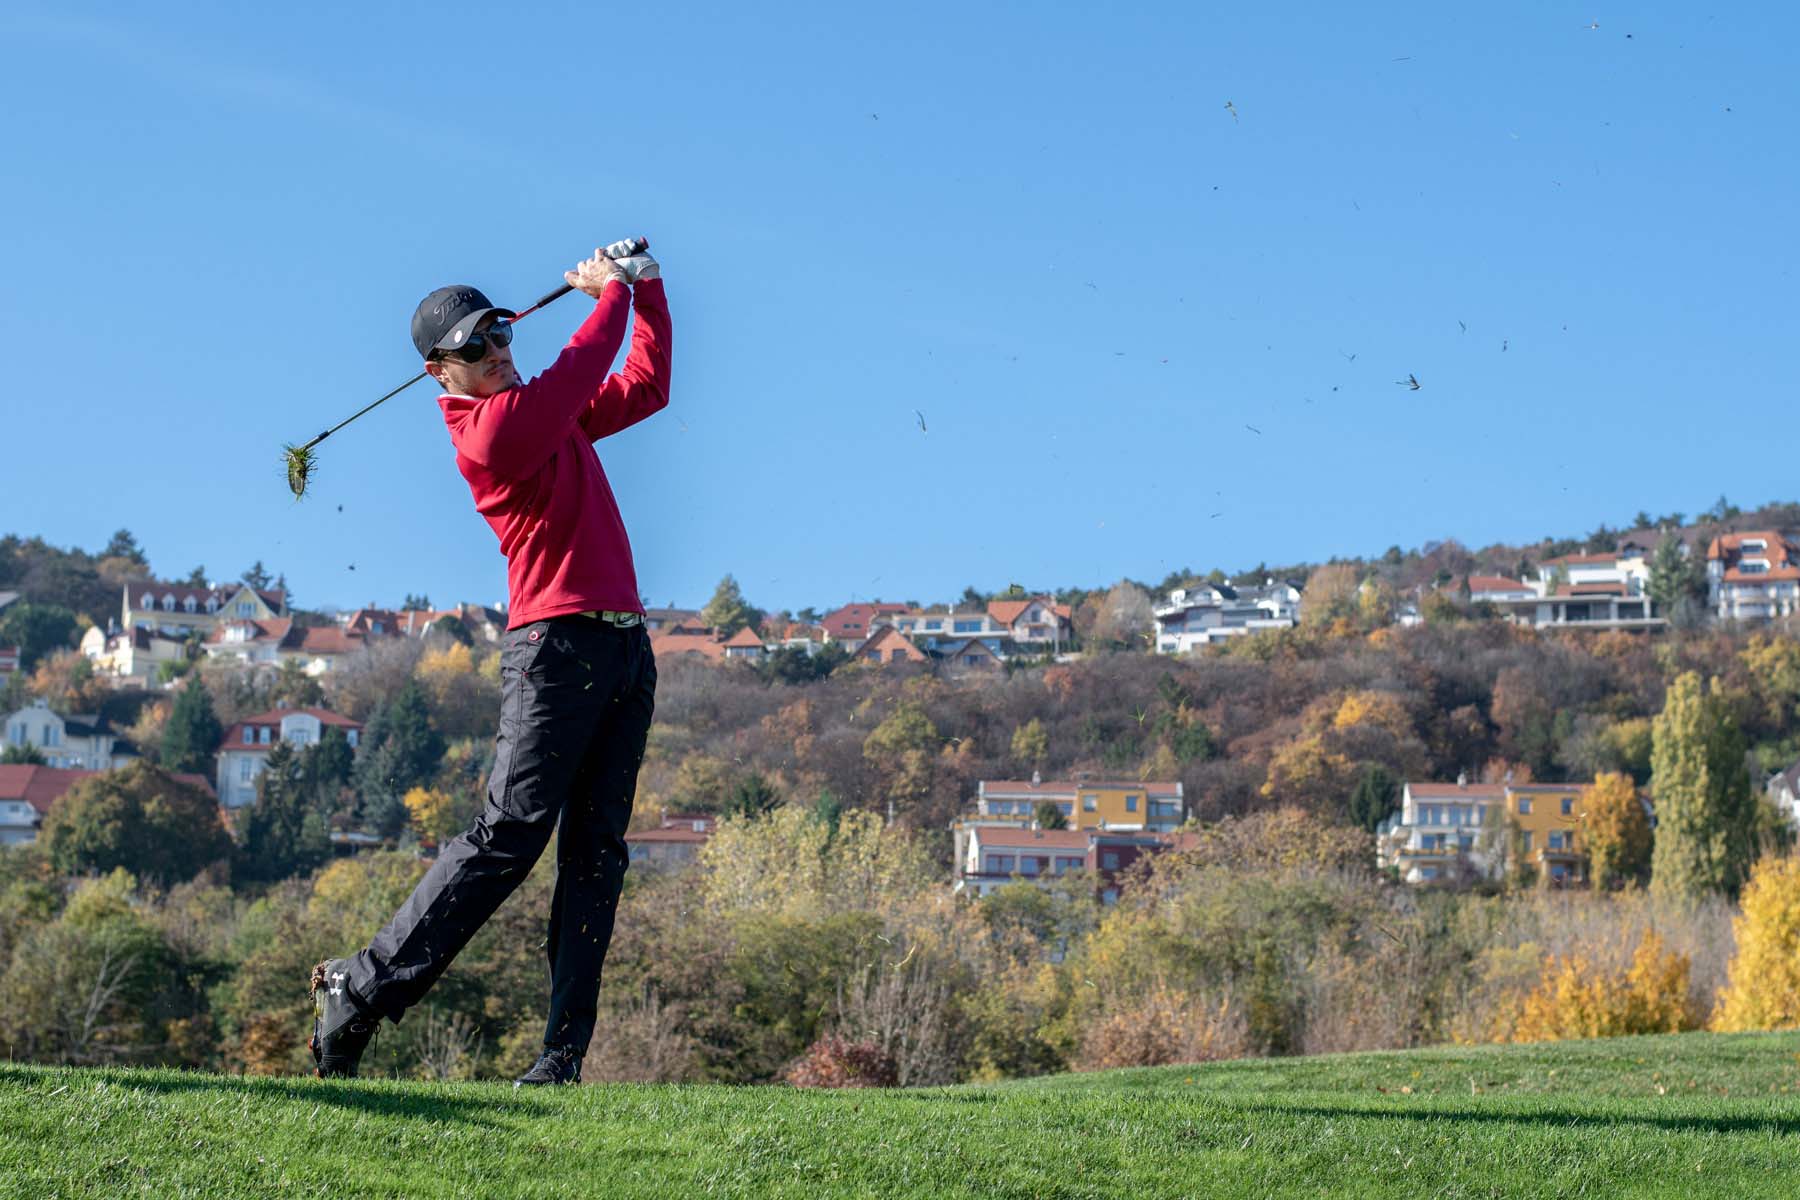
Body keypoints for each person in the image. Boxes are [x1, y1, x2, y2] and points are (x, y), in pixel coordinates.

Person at [309, 240, 671, 1086]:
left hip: (624, 649)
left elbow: (646, 387)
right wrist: (608, 293)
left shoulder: (544, 409)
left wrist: (646, 293)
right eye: (476, 348)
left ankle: (561, 1059)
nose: (498, 352)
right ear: (442, 373)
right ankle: (356, 991)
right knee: (508, 835)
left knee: (596, 854)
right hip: (554, 650)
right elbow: (583, 370)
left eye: (501, 334)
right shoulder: (491, 434)